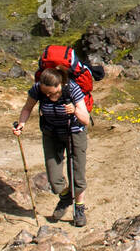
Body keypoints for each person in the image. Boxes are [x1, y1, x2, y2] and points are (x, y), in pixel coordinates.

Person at [13, 66, 92, 226]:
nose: (48, 96)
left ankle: (79, 208)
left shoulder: (72, 89)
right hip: (51, 133)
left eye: (52, 93)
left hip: (74, 132)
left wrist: (75, 110)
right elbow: (28, 107)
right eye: (46, 93)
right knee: (54, 178)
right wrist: (21, 124)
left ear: (60, 85)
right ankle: (65, 196)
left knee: (77, 174)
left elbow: (86, 120)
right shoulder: (38, 89)